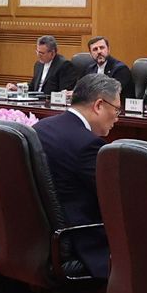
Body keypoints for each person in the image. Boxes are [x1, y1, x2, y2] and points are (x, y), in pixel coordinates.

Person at [35, 72, 120, 279]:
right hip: (78, 238)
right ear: (99, 105)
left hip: (37, 236)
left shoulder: (41, 127)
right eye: (117, 110)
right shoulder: (87, 145)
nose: (118, 118)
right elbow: (115, 197)